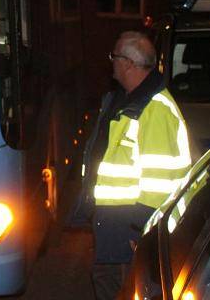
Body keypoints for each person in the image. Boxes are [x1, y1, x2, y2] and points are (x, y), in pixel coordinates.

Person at [75, 31, 192, 300]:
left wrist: (141, 234)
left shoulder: (155, 109)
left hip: (128, 235)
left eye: (114, 57)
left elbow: (161, 183)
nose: (111, 62)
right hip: (115, 229)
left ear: (128, 63)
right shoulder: (127, 101)